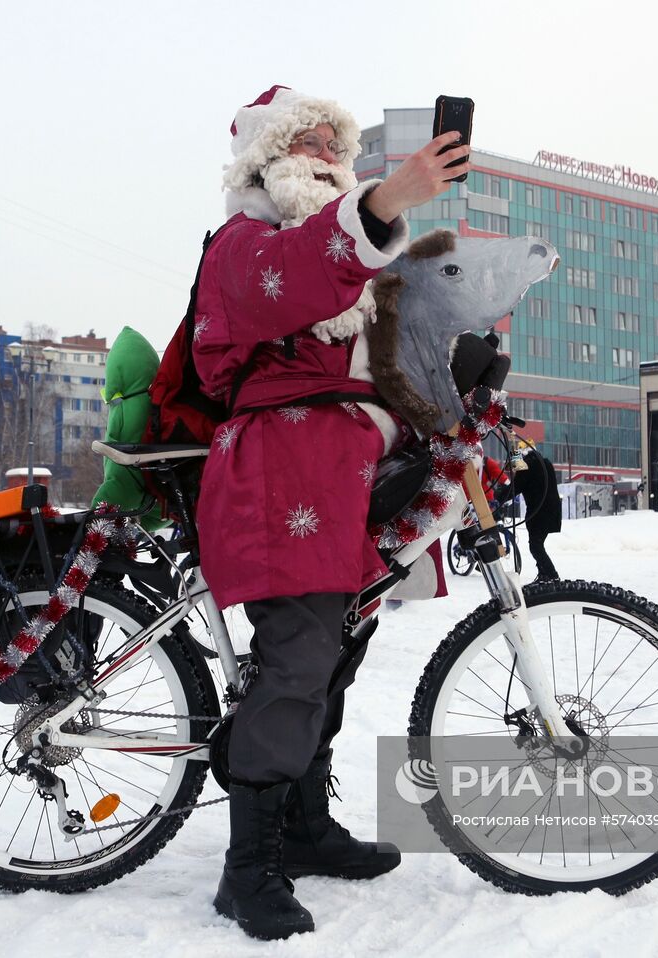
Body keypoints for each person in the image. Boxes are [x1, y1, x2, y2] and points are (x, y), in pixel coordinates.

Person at [191, 85, 469, 940]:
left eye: (334, 140)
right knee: (301, 654)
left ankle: (304, 827)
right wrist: (381, 203)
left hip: (345, 461)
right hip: (284, 458)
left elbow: (380, 333)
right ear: (263, 160)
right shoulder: (245, 242)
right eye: (305, 138)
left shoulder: (352, 260)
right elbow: (292, 279)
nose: (325, 150)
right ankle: (247, 869)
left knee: (338, 649)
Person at [513, 444, 562, 581]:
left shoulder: (527, 466)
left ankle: (552, 575)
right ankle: (544, 575)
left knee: (535, 546)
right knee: (537, 544)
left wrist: (498, 497)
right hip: (551, 510)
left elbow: (516, 487)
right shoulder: (544, 462)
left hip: (539, 513)